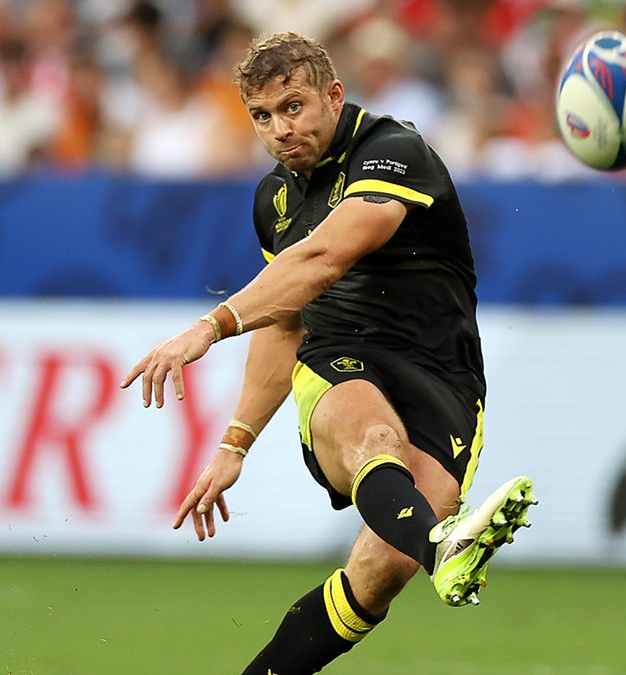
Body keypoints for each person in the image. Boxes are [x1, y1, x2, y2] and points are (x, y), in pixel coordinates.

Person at [119, 32, 536, 675]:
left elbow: (325, 257)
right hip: (339, 354)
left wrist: (209, 326)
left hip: (443, 373)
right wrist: (235, 442)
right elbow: (284, 323)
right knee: (375, 440)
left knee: (382, 567)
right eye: (262, 116)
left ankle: (428, 552)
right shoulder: (273, 199)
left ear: (334, 96)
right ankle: (445, 548)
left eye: (293, 107)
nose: (280, 130)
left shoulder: (392, 151)